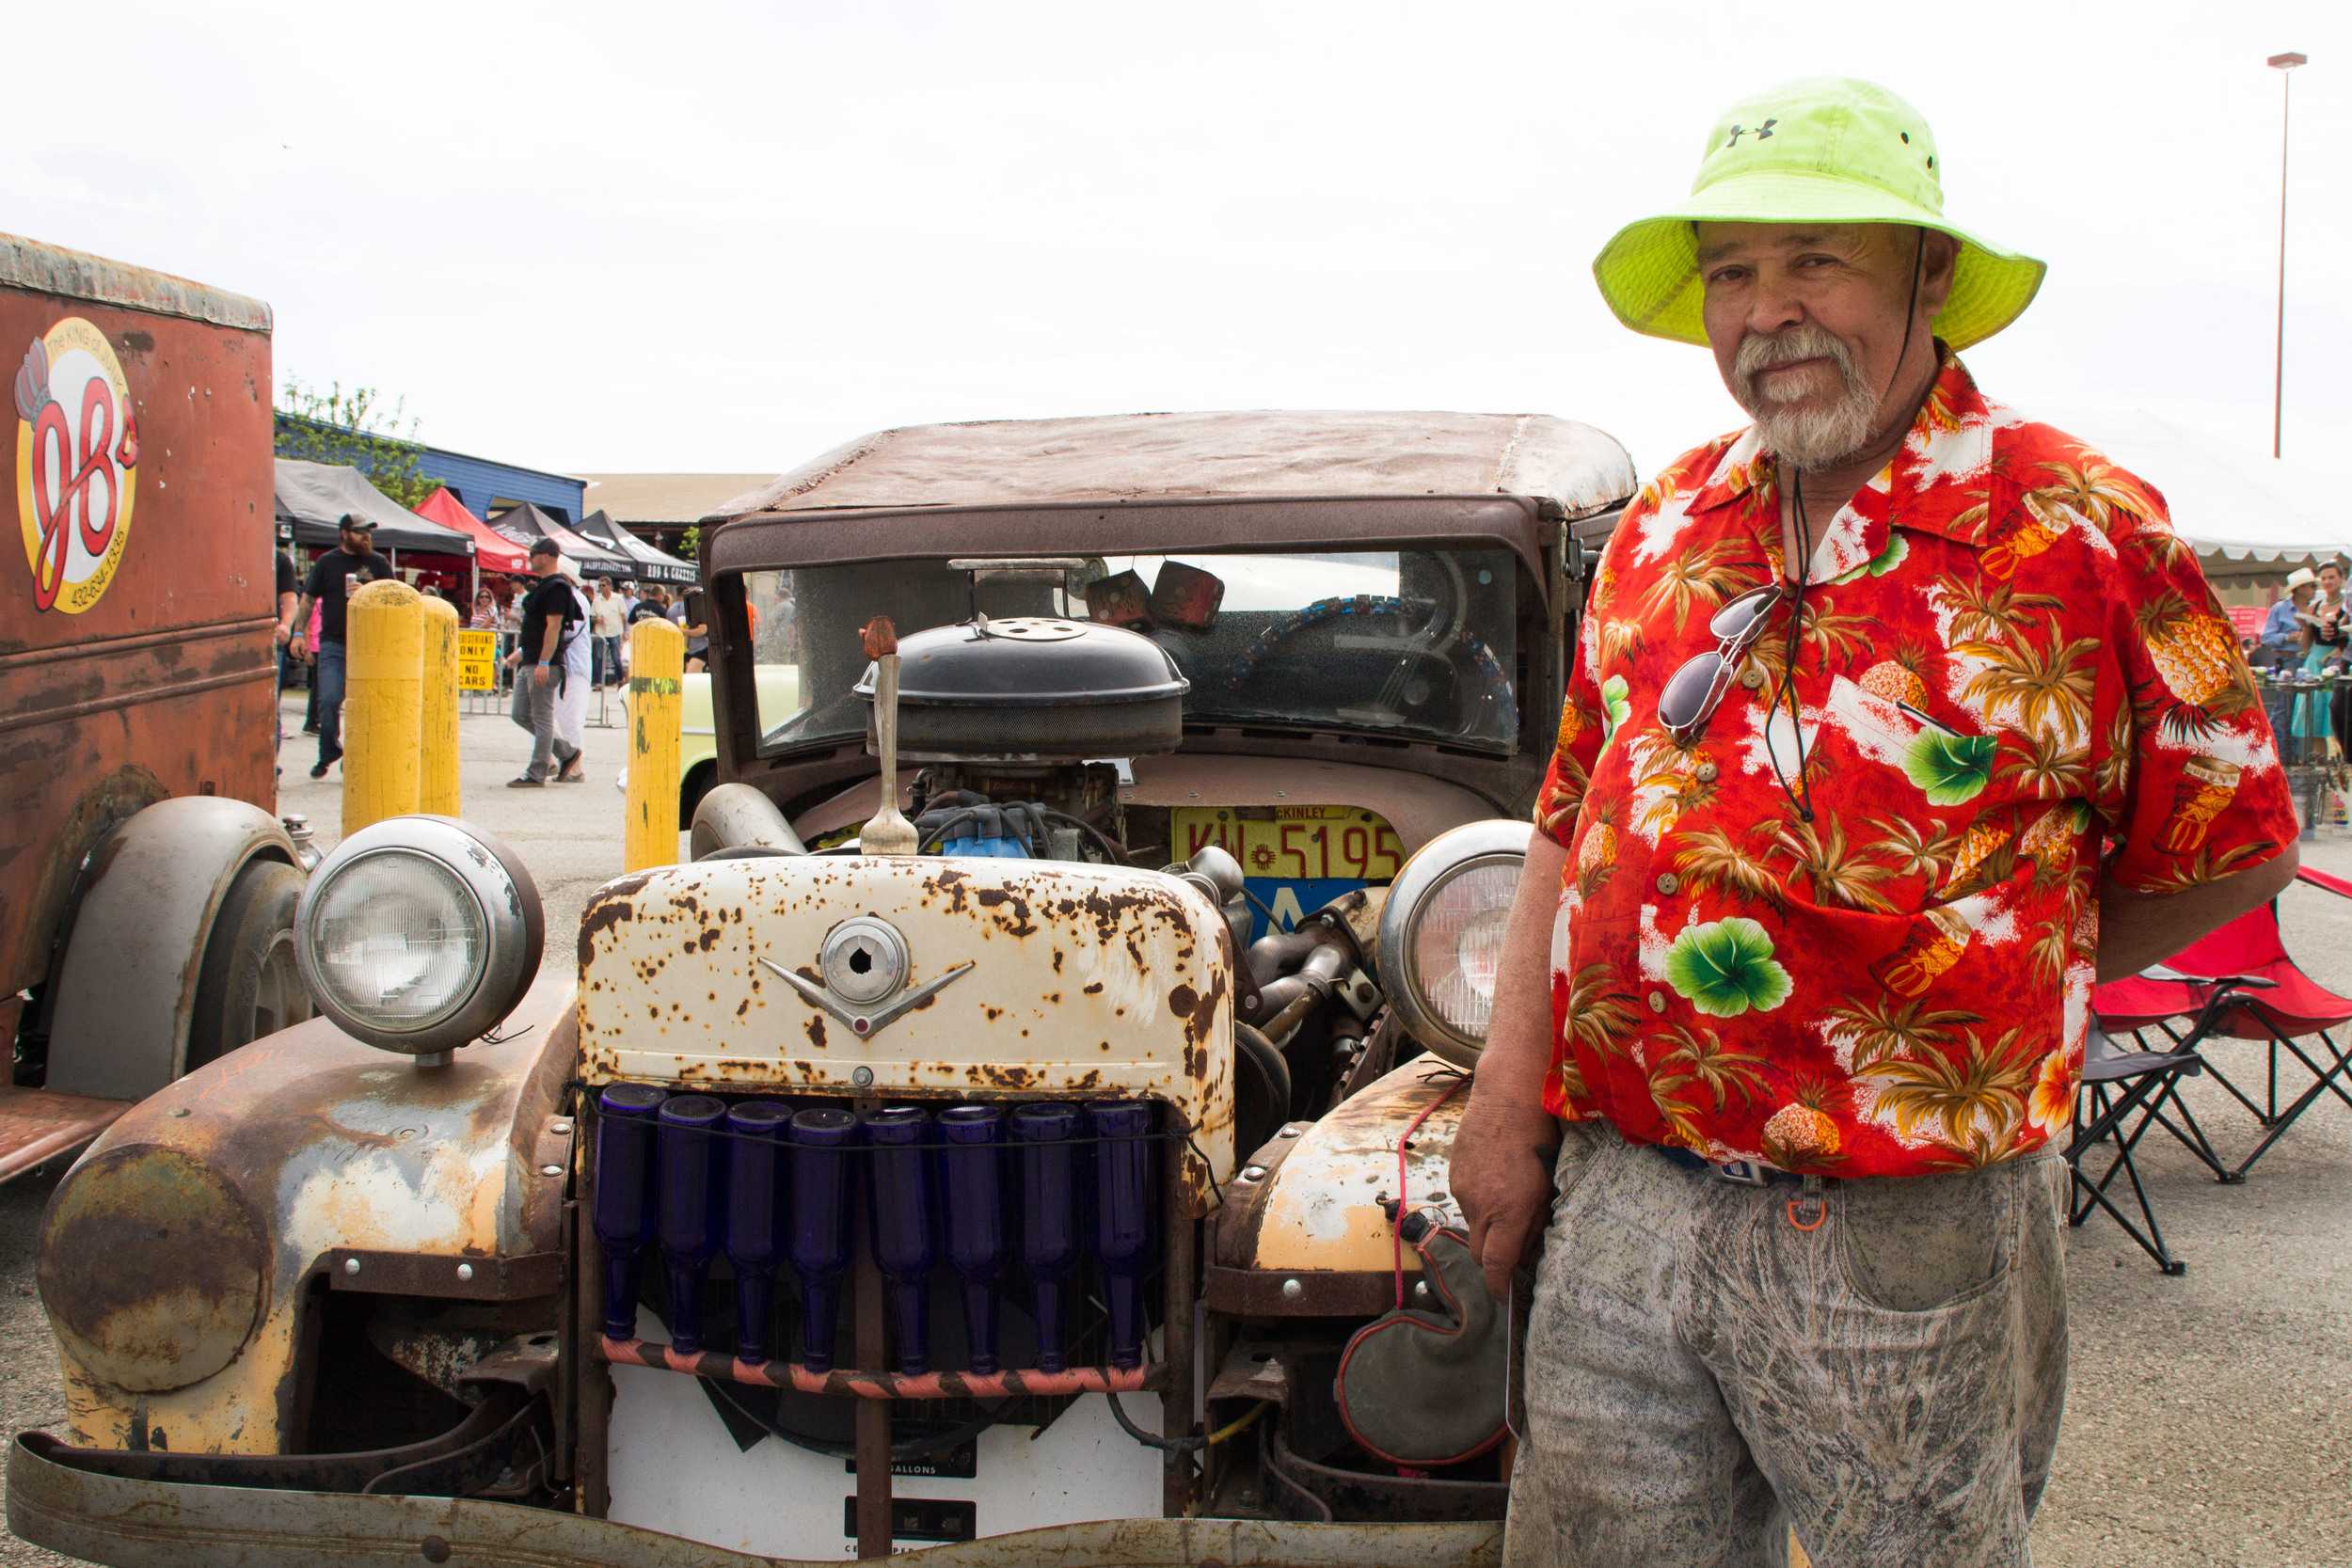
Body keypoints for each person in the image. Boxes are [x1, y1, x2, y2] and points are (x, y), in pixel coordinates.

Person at [1454, 78, 2300, 1568]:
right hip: (1628, 1200)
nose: (1768, 311)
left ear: (1926, 275)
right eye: (1731, 273)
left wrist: (1988, 970)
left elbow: (2239, 840)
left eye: (1815, 260)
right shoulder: (1662, 526)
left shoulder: (2081, 527)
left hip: (1910, 1225)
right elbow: (1567, 814)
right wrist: (1502, 1102)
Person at [286, 514, 395, 779]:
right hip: (333, 642)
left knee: (365, 707)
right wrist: (298, 633)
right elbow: (308, 599)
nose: (367, 537)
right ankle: (329, 752)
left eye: (369, 532)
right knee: (329, 700)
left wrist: (369, 592)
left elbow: (398, 600)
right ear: (344, 533)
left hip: (370, 645)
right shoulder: (327, 562)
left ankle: (356, 756)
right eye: (360, 532)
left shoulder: (379, 563)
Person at [502, 540, 587, 785]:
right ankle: (566, 752)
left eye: (534, 554)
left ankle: (537, 771)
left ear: (549, 556)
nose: (530, 558)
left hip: (544, 663)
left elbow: (554, 627)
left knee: (541, 717)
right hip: (530, 658)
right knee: (520, 714)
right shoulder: (545, 586)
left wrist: (543, 661)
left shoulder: (557, 587)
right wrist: (521, 654)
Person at [2261, 567, 2317, 744]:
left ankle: (2296, 754)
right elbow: (2267, 638)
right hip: (2287, 660)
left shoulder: (2314, 608)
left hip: (2308, 661)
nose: (2314, 590)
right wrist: (2287, 637)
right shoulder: (2280, 608)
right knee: (2283, 709)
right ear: (2300, 588)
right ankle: (2280, 753)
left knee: (2301, 710)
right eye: (2311, 586)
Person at [272, 524, 299, 764]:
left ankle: (270, 769)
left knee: (270, 708)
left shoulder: (278, 560)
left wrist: (286, 625)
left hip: (270, 641)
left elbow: (289, 597)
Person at [592, 578, 628, 688]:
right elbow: (592, 617)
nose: (601, 588)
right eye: (599, 586)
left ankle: (620, 680)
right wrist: (597, 620)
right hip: (601, 632)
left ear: (609, 586)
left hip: (615, 631)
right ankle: (598, 682)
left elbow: (623, 616)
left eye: (603, 585)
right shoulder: (596, 600)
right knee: (598, 657)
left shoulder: (618, 599)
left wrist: (624, 632)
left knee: (616, 657)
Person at [671, 585, 710, 673]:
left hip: (701, 648)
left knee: (691, 675)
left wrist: (683, 631)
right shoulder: (675, 609)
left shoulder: (699, 609)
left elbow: (702, 630)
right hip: (687, 649)